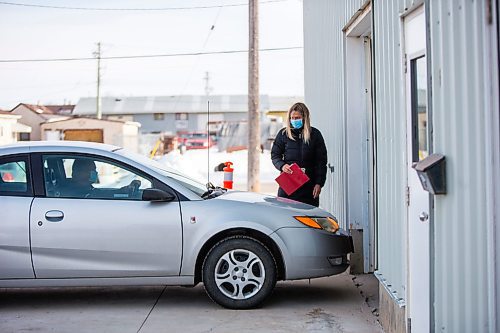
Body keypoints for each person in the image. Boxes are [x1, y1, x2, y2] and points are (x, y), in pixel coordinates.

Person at [271, 102, 327, 207]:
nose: (294, 120)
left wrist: (319, 183)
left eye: (298, 118)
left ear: (305, 118)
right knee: (285, 215)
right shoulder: (283, 134)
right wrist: (282, 166)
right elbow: (275, 155)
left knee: (308, 218)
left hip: (309, 186)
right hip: (288, 184)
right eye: (292, 118)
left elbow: (321, 162)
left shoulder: (315, 135)